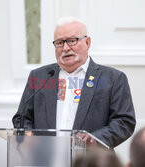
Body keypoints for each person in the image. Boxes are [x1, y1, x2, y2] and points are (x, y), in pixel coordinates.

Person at [12, 16, 136, 148]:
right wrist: (34, 140)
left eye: (72, 41)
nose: (65, 48)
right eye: (59, 42)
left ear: (87, 42)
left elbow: (124, 122)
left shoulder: (113, 78)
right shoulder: (40, 77)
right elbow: (21, 119)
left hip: (90, 159)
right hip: (46, 157)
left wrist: (93, 139)